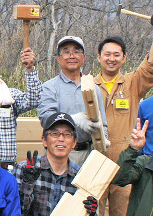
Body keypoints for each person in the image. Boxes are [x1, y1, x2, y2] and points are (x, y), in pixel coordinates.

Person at [89, 16, 153, 216]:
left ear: (123, 58)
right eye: (107, 54)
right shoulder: (88, 84)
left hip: (124, 160)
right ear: (99, 57)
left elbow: (152, 66)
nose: (111, 58)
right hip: (95, 160)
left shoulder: (132, 83)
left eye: (117, 54)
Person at [38, 36, 108, 167]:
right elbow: (46, 118)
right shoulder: (50, 87)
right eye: (66, 51)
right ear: (58, 58)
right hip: (59, 153)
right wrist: (73, 119)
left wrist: (103, 140)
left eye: (76, 51)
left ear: (84, 57)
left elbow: (102, 122)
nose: (72, 56)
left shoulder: (93, 88)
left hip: (88, 153)